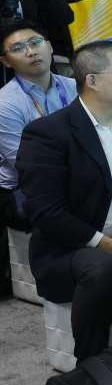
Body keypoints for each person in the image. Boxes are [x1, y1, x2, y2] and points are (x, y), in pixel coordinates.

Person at [16, 41, 112, 360]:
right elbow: (46, 213)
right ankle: (91, 368)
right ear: (92, 80)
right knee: (102, 267)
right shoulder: (48, 134)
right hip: (68, 249)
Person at [0, 23, 76, 230]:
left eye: (35, 43)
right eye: (18, 48)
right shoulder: (5, 103)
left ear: (50, 47)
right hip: (25, 191)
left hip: (76, 178)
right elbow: (24, 163)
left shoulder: (75, 87)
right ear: (6, 61)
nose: (31, 52)